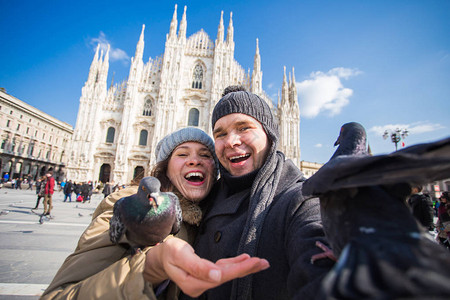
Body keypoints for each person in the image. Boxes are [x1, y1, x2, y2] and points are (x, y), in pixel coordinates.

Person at [42, 127, 268, 299]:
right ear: (165, 167)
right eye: (182, 154)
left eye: (205, 155)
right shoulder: (129, 205)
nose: (194, 160)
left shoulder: (213, 216)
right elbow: (60, 294)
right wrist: (150, 268)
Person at [182, 86, 333, 299]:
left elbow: (315, 240)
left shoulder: (298, 198)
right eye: (221, 133)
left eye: (243, 128)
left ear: (269, 135)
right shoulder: (204, 198)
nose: (231, 141)